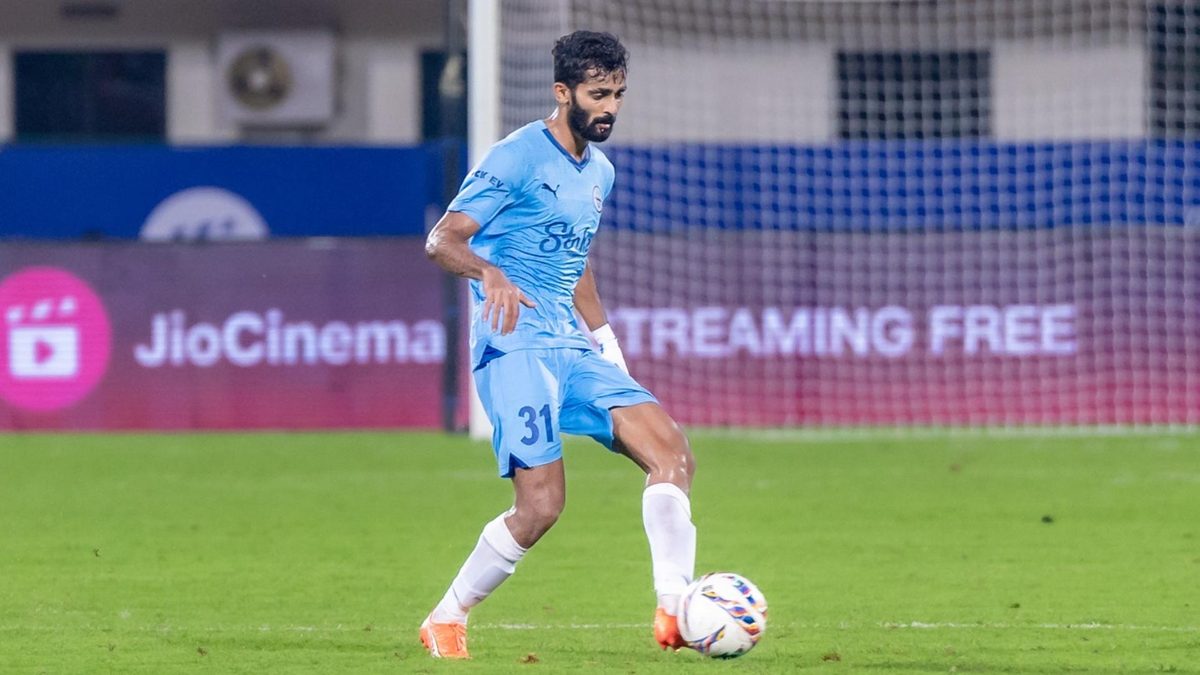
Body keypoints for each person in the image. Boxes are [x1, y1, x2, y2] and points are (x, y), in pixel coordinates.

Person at [419, 30, 696, 659]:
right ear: (563, 92)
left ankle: (675, 607)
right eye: (598, 95)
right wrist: (488, 272)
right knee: (542, 505)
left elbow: (576, 263)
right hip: (513, 343)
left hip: (572, 346)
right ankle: (447, 616)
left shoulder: (600, 171)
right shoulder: (516, 156)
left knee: (672, 453)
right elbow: (443, 240)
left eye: (618, 94)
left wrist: (607, 344)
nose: (610, 108)